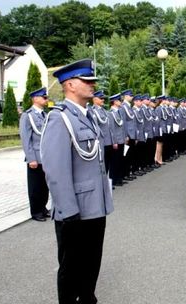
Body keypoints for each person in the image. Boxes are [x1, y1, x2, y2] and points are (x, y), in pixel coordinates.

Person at [41, 59, 114, 304]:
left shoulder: (89, 116)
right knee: (71, 268)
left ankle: (87, 298)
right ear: (70, 84)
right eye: (87, 81)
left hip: (95, 205)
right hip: (74, 210)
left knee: (92, 261)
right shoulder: (59, 119)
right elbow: (56, 170)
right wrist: (68, 211)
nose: (92, 85)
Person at [19, 87, 50, 221]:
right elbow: (26, 139)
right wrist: (31, 158)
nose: (46, 99)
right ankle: (36, 211)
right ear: (35, 99)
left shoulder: (44, 114)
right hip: (35, 158)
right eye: (44, 97)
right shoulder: (27, 115)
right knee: (35, 186)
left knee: (45, 185)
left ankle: (43, 208)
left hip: (46, 157)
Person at [108, 93, 127, 187]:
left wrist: (124, 137)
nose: (121, 102)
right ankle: (113, 180)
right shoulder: (111, 113)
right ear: (114, 102)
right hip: (116, 141)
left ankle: (119, 179)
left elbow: (122, 127)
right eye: (119, 100)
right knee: (114, 161)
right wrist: (114, 141)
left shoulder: (119, 112)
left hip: (121, 139)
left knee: (120, 160)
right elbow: (111, 129)